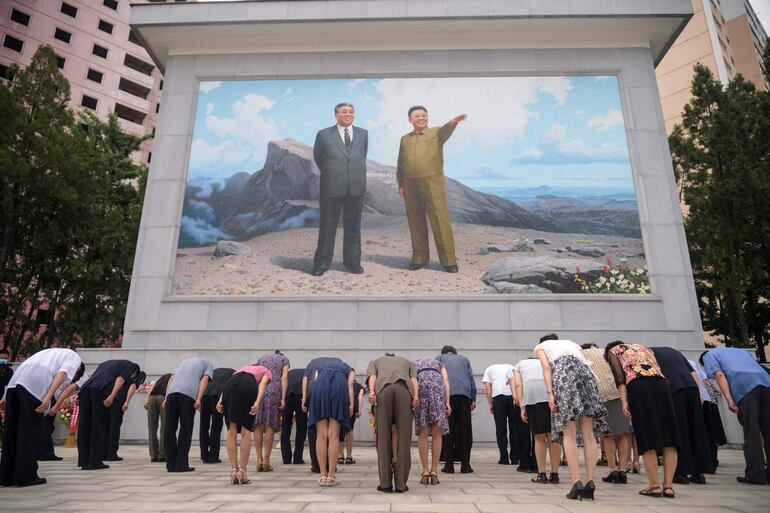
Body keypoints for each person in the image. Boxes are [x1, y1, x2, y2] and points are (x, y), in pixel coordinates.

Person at [534, 334, 607, 500]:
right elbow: (587, 363)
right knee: (589, 433)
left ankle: (576, 482)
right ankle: (590, 481)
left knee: (569, 432)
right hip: (587, 377)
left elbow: (546, 367)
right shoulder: (573, 343)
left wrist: (550, 393)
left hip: (564, 377)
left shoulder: (540, 347)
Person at [605, 341, 681, 499]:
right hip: (662, 385)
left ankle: (654, 486)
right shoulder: (642, 347)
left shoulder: (614, 351)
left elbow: (620, 378)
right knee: (669, 436)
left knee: (647, 435)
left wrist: (624, 401)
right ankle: (668, 486)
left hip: (639, 387)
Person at [396, 106, 466, 273]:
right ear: (410, 120)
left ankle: (449, 261)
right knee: (415, 221)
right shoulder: (405, 139)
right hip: (410, 184)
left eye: (424, 115)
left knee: (440, 220)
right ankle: (419, 258)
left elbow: (445, 132)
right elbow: (401, 163)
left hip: (432, 182)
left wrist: (453, 123)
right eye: (417, 116)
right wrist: (401, 183)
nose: (421, 118)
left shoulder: (436, 133)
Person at [0, 348, 83, 487]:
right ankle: (26, 476)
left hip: (15, 385)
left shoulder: (48, 353)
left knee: (11, 431)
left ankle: (6, 476)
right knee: (30, 432)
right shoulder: (75, 357)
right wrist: (49, 396)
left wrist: (5, 396)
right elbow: (62, 374)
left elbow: (23, 367)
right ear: (78, 370)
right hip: (33, 387)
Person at [310, 102, 369, 276]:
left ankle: (352, 263)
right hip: (332, 186)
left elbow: (360, 156)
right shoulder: (324, 134)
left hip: (356, 186)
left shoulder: (363, 134)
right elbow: (319, 157)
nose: (348, 114)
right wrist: (334, 173)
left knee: (353, 227)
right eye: (344, 112)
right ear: (336, 114)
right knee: (327, 226)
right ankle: (321, 265)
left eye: (351, 111)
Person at [701, 347, 770, 485]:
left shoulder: (709, 355)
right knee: (768, 430)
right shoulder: (740, 351)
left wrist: (729, 399)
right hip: (766, 383)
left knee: (752, 431)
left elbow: (719, 375)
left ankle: (755, 474)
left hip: (745, 387)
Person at [652, 346, 713, 484]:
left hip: (673, 391)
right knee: (697, 430)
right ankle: (699, 473)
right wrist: (698, 392)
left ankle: (681, 472)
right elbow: (693, 373)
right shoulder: (675, 352)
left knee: (679, 431)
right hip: (691, 389)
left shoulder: (648, 354)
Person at [367, 353, 419, 492]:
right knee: (404, 438)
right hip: (404, 391)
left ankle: (385, 484)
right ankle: (401, 484)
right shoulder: (408, 362)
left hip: (383, 391)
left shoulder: (375, 361)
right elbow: (414, 380)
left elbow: (373, 377)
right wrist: (415, 397)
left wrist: (372, 392)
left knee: (383, 437)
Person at [581, 343, 631, 485]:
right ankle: (622, 470)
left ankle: (612, 470)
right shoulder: (606, 351)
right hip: (621, 393)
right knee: (622, 433)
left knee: (608, 434)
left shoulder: (582, 354)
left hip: (602, 394)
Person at [77, 359, 140, 470]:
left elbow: (94, 377)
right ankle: (95, 462)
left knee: (85, 427)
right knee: (98, 427)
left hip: (86, 390)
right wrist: (112, 396)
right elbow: (120, 379)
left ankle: (84, 461)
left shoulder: (106, 363)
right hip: (99, 392)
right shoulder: (133, 366)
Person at [217, 364, 271, 485]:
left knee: (232, 429)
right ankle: (242, 471)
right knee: (245, 430)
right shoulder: (266, 370)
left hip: (230, 385)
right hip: (248, 385)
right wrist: (257, 402)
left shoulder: (239, 369)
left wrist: (220, 401)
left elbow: (228, 385)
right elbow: (262, 384)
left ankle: (233, 471)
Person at [307, 359, 355, 487]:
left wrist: (307, 400)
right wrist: (351, 404)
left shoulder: (319, 366)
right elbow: (350, 385)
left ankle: (323, 476)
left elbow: (312, 383)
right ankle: (331, 477)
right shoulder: (348, 368)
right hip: (339, 389)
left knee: (321, 435)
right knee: (333, 435)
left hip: (319, 388)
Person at [513, 357, 560, 484]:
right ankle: (555, 474)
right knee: (553, 437)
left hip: (533, 398)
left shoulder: (519, 364)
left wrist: (522, 407)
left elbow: (518, 384)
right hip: (552, 397)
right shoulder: (549, 361)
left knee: (539, 438)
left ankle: (542, 474)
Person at [164, 357, 213, 473]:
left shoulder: (183, 362)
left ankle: (170, 464)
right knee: (185, 429)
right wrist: (199, 399)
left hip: (172, 394)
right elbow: (204, 380)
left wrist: (166, 397)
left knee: (169, 429)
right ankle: (181, 464)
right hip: (188, 395)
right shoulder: (208, 363)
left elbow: (171, 379)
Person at [483, 362, 534, 471]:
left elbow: (488, 387)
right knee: (514, 428)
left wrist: (490, 403)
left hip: (498, 398)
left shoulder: (489, 369)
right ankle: (515, 458)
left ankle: (504, 458)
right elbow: (517, 383)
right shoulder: (512, 367)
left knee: (500, 429)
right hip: (512, 397)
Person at [436, 345, 476, 474]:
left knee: (448, 430)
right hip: (465, 396)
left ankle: (449, 465)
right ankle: (466, 465)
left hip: (447, 398)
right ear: (455, 353)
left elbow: (437, 378)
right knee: (465, 431)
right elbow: (471, 380)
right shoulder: (464, 359)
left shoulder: (439, 358)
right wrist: (473, 399)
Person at [413, 357, 450, 486]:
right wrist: (447, 403)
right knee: (437, 432)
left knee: (422, 432)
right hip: (437, 389)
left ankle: (424, 471)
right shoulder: (439, 364)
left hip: (420, 387)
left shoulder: (415, 364)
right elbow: (445, 380)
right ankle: (434, 471)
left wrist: (414, 398)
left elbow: (412, 380)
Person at [302, 356, 343, 473]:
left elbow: (305, 380)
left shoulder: (312, 363)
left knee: (316, 433)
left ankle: (317, 465)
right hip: (335, 396)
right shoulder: (338, 363)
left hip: (316, 396)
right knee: (333, 435)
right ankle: (331, 467)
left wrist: (304, 399)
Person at [689, 358, 726, 472]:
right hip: (706, 400)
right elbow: (705, 381)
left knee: (696, 433)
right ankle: (712, 462)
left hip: (694, 400)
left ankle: (699, 463)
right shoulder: (692, 362)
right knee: (710, 433)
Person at [254, 351, 289, 472]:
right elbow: (284, 378)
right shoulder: (284, 360)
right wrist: (283, 398)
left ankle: (259, 460)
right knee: (270, 425)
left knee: (258, 425)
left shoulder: (262, 358)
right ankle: (266, 461)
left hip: (259, 389)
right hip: (274, 390)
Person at [106, 370, 146, 461]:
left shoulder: (123, 376)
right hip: (118, 401)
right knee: (114, 428)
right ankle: (112, 454)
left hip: (108, 399)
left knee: (107, 427)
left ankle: (104, 452)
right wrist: (126, 402)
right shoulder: (139, 376)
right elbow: (133, 386)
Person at [200, 367, 235, 464]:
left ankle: (204, 455)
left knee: (204, 426)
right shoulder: (234, 373)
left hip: (205, 396)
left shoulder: (214, 371)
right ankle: (213, 456)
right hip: (217, 397)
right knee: (216, 426)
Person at [281, 368, 307, 465]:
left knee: (285, 428)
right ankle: (298, 458)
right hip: (300, 396)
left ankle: (286, 459)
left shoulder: (289, 373)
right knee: (301, 428)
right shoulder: (308, 373)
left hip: (287, 395)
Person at [145, 373, 171, 463]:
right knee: (164, 427)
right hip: (163, 397)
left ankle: (153, 455)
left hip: (152, 398)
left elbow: (152, 386)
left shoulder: (163, 377)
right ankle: (162, 455)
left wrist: (146, 400)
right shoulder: (175, 377)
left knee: (152, 428)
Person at [338, 376, 364, 465]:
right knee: (349, 430)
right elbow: (360, 395)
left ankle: (340, 456)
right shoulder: (358, 386)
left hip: (340, 409)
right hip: (352, 410)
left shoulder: (340, 384)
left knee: (339, 431)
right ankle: (349, 457)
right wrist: (359, 410)